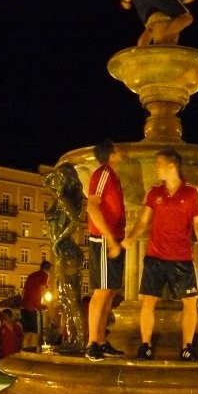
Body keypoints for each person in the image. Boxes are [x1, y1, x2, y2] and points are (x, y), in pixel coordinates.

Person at [121, 149, 198, 361]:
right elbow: (143, 220)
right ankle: (145, 346)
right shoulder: (154, 192)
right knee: (148, 301)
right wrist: (130, 238)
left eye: (159, 164)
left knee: (190, 303)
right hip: (155, 255)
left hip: (182, 257)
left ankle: (187, 347)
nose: (156, 168)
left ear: (172, 166)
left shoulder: (192, 192)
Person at [85, 139, 127, 361]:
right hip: (103, 239)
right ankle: (92, 343)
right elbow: (92, 206)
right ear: (111, 154)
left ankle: (101, 340)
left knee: (110, 291)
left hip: (114, 239)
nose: (121, 152)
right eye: (117, 149)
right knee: (101, 291)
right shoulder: (102, 173)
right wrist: (109, 238)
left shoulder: (114, 177)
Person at [120, 0, 194, 46]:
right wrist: (126, 0)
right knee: (187, 18)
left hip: (142, 4)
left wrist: (125, 0)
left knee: (187, 18)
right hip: (144, 7)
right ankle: (164, 41)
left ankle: (164, 42)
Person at [20, 260, 52, 349]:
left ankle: (25, 351)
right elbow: (42, 290)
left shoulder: (32, 275)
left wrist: (22, 304)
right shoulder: (44, 275)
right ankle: (33, 352)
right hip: (34, 307)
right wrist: (44, 303)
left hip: (24, 307)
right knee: (36, 333)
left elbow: (23, 291)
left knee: (27, 333)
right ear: (49, 269)